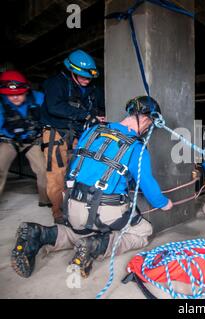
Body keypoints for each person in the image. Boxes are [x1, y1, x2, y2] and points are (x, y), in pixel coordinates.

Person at [11, 96, 173, 279]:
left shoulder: (94, 131)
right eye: (149, 124)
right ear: (145, 118)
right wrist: (164, 203)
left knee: (80, 231)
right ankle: (96, 246)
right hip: (105, 210)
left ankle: (39, 233)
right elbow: (149, 188)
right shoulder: (136, 148)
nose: (147, 129)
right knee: (143, 231)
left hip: (72, 204)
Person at [40, 49, 105, 224]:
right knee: (57, 174)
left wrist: (97, 116)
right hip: (55, 133)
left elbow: (96, 108)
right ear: (71, 71)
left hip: (77, 133)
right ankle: (59, 213)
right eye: (81, 76)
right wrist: (85, 115)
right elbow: (55, 107)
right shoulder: (55, 84)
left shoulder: (91, 89)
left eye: (88, 77)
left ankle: (79, 205)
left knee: (78, 170)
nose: (86, 80)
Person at [0, 70, 50, 206]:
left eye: (19, 94)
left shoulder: (38, 98)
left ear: (26, 90)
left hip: (32, 140)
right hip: (9, 140)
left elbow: (51, 112)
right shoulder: (1, 104)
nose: (15, 98)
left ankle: (45, 199)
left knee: (43, 170)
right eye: (10, 95)